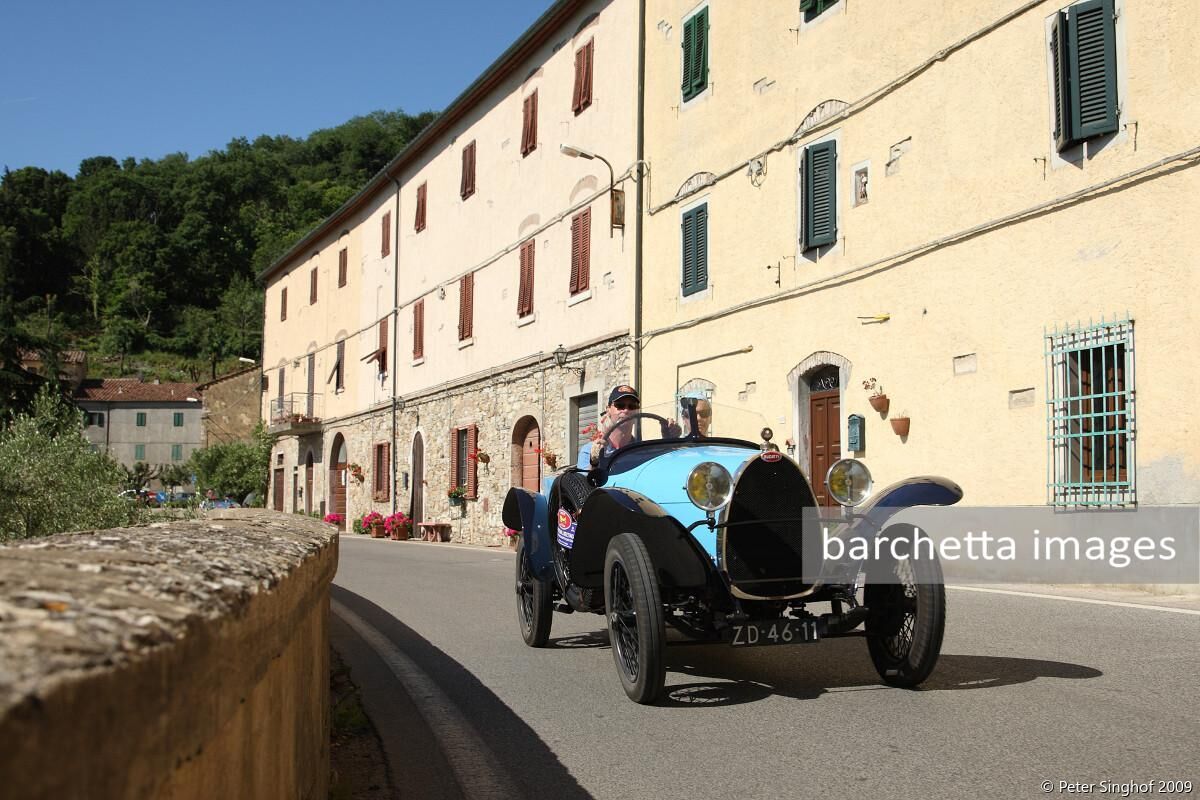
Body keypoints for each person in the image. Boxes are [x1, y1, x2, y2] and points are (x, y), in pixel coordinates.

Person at [578, 384, 642, 468]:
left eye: (632, 406)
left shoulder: (642, 450)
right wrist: (594, 463)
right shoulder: (588, 451)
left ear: (637, 412)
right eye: (620, 405)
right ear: (608, 410)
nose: (626, 410)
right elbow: (584, 481)